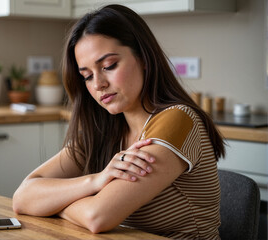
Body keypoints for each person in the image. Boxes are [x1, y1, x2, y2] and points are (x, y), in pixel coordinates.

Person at [13, 4, 225, 239]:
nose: (98, 84)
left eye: (109, 66)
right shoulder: (102, 131)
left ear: (143, 57)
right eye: (87, 76)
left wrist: (54, 205)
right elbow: (23, 197)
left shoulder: (177, 120)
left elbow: (97, 216)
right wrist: (95, 181)